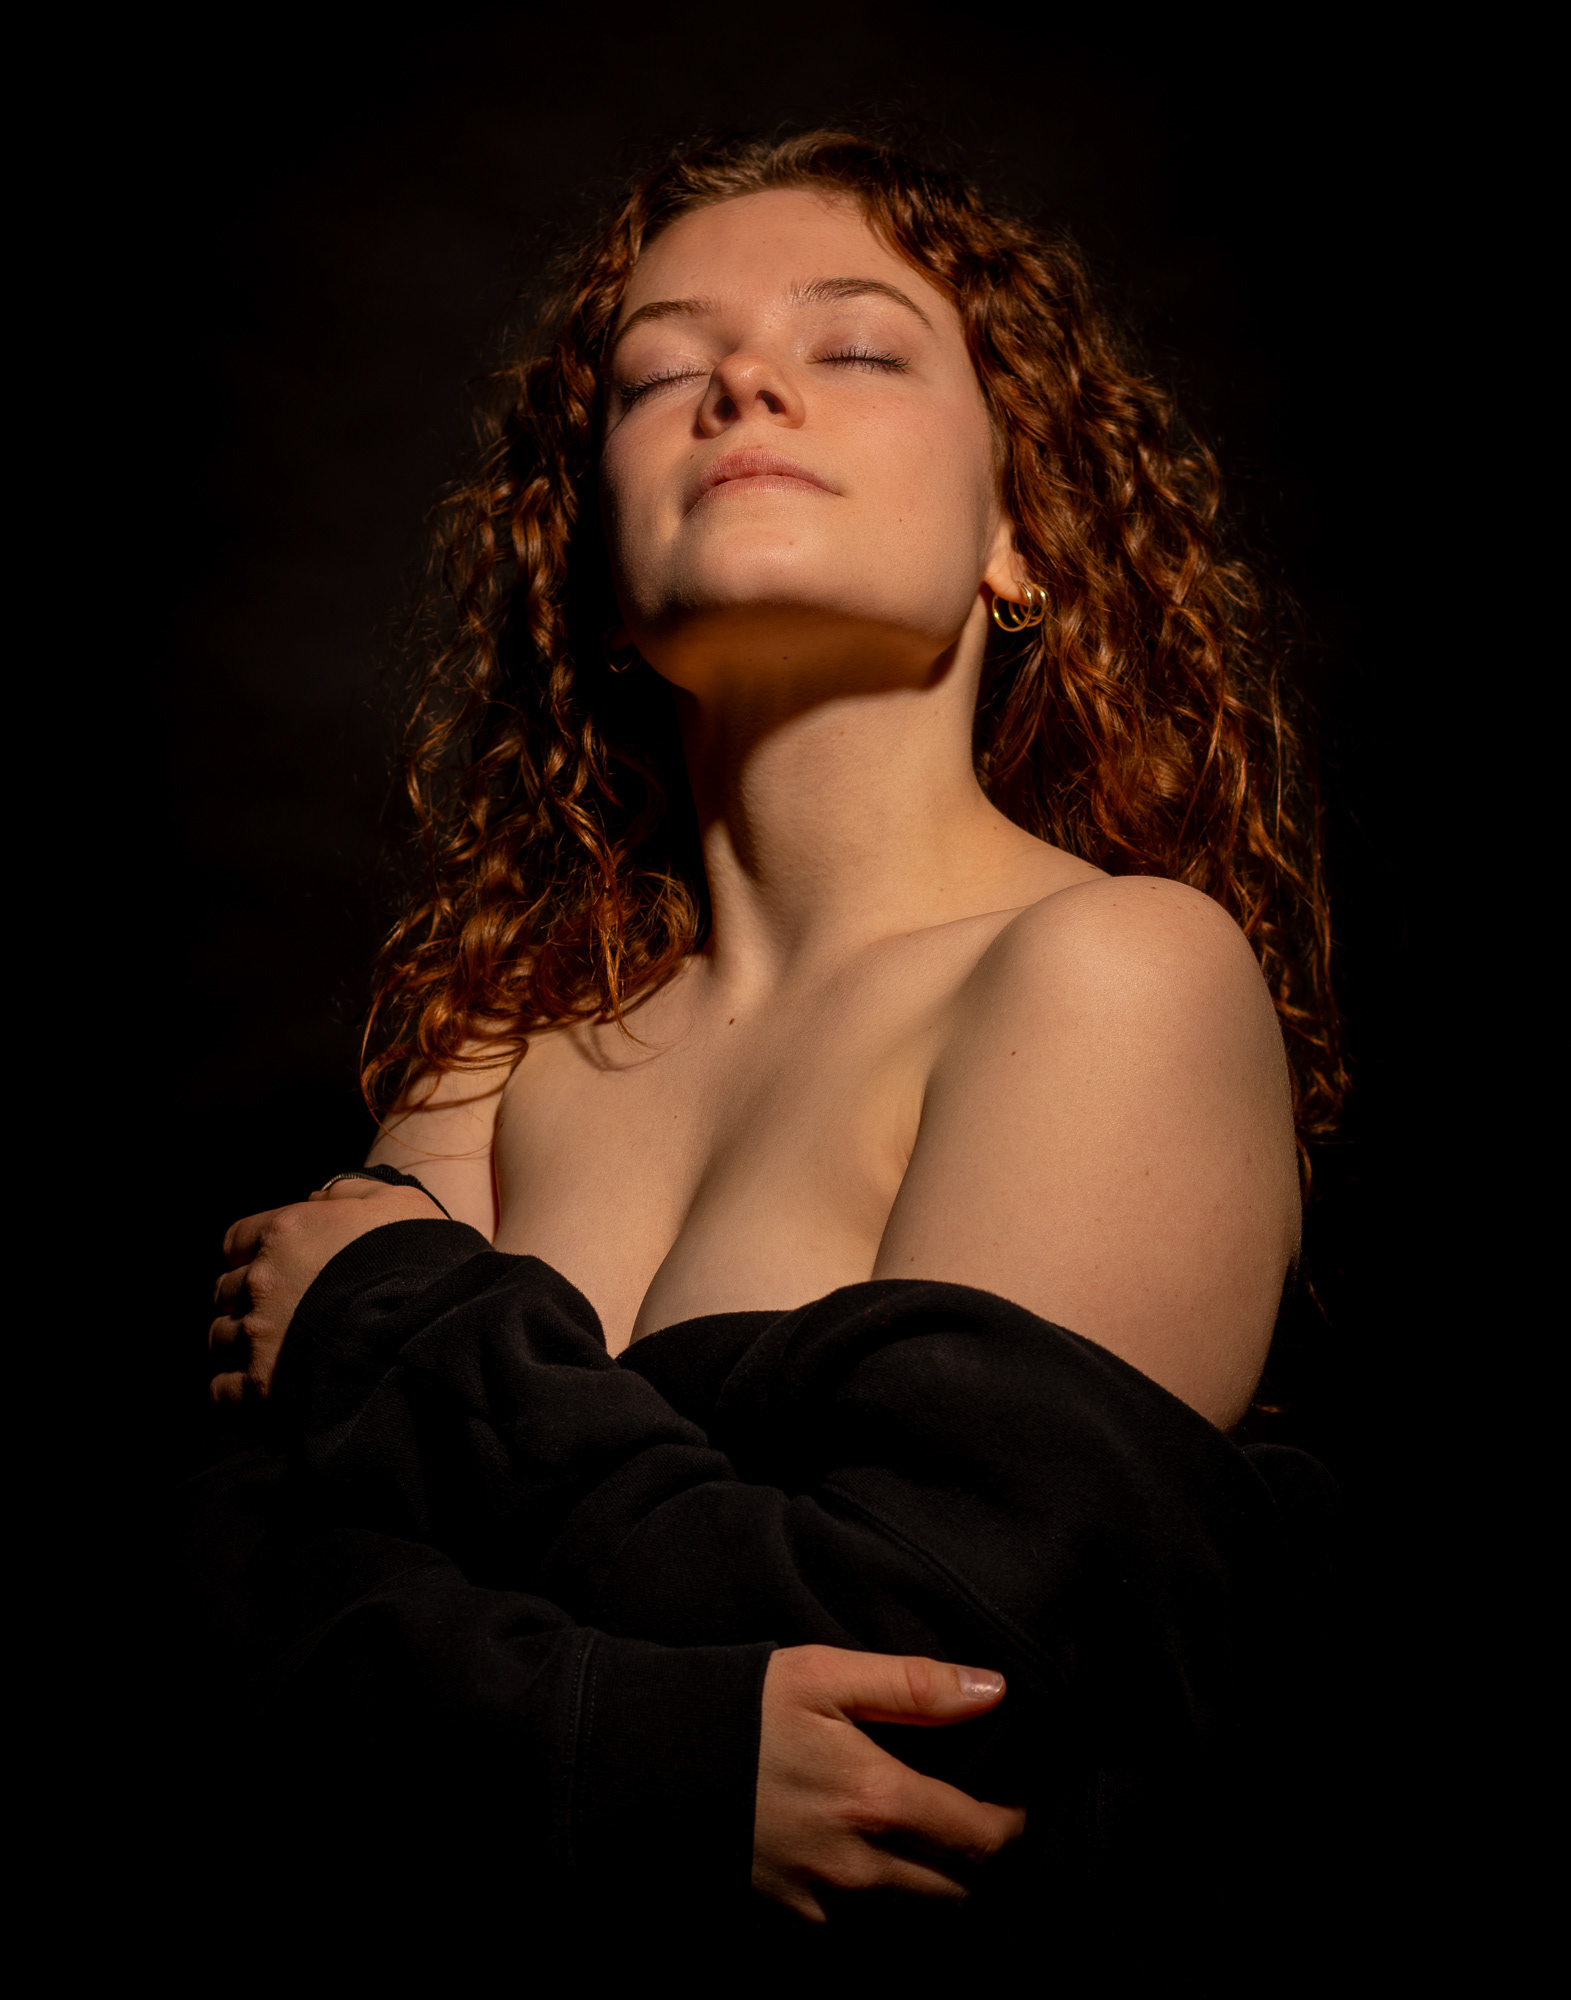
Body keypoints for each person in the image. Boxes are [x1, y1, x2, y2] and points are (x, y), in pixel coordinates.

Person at [193, 130, 1343, 1959]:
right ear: (598, 571)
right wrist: (641, 1748)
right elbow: (222, 1638)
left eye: (857, 345)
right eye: (659, 373)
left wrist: (398, 1326)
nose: (741, 383)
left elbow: (946, 1686)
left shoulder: (1116, 971)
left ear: (1019, 538)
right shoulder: (497, 1050)